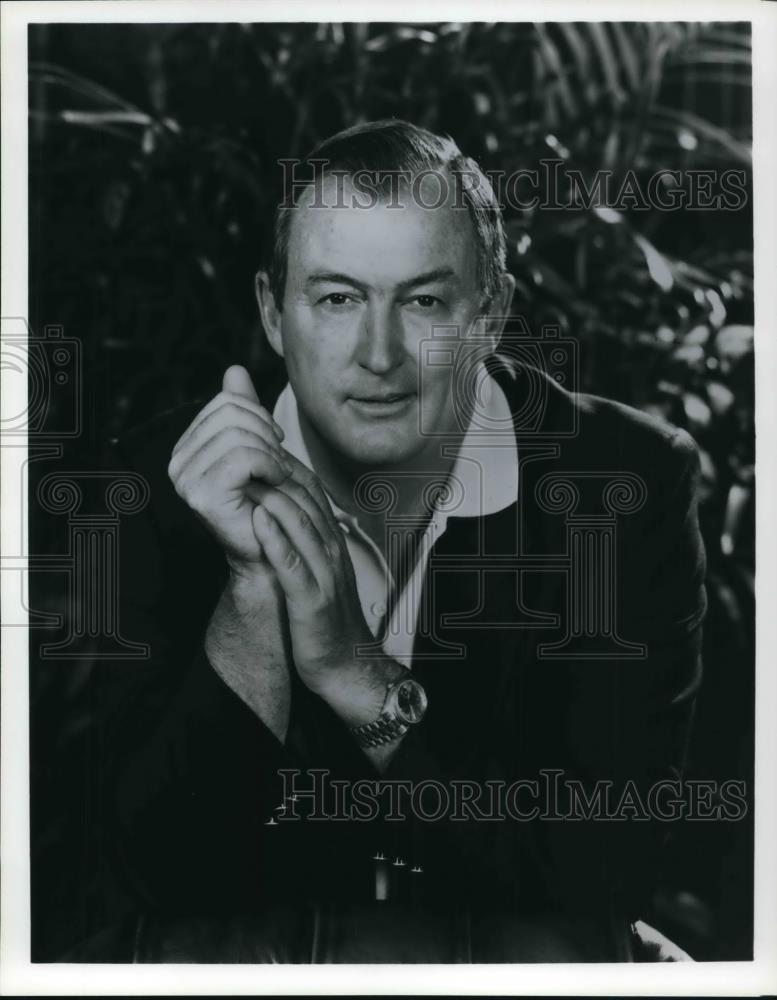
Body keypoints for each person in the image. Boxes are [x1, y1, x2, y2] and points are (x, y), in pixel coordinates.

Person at [87, 120, 706, 962]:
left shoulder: (622, 483)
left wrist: (354, 672)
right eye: (337, 298)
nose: (377, 355)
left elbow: (601, 868)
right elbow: (150, 879)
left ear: (489, 316)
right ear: (274, 313)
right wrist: (249, 591)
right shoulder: (151, 486)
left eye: (421, 301)